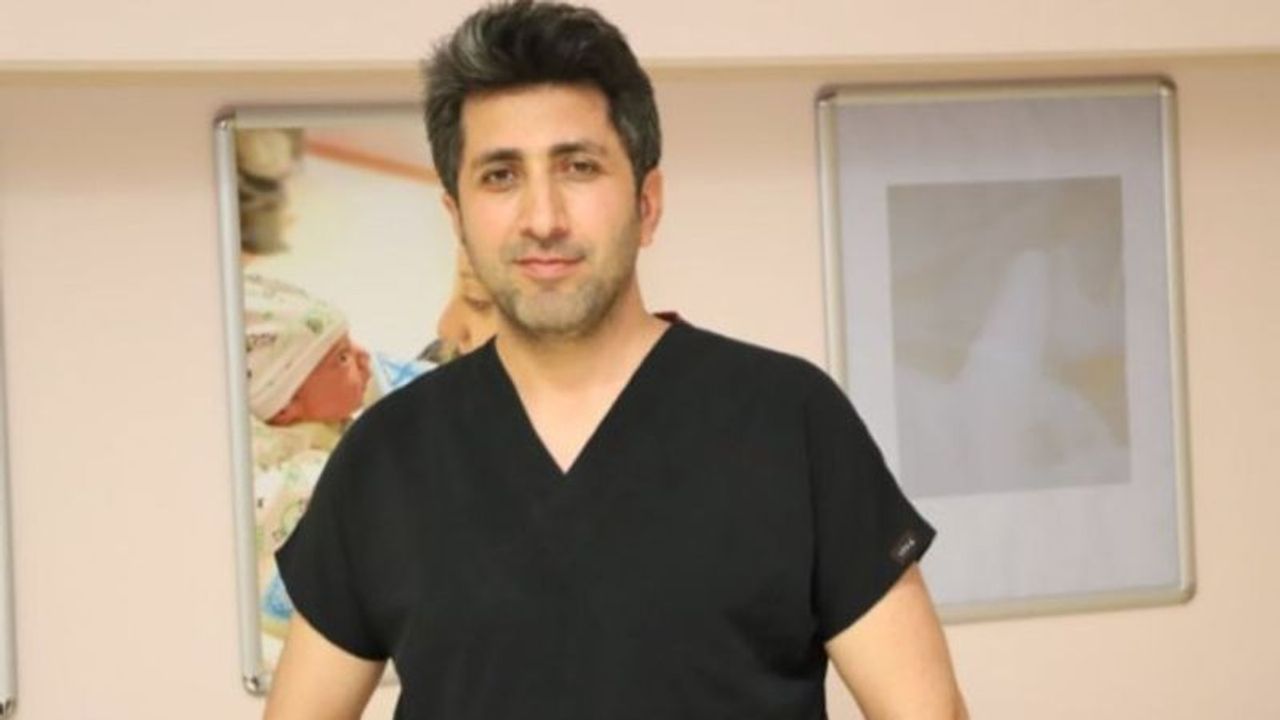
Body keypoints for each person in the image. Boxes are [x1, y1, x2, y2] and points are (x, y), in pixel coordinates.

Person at [265, 2, 967, 718]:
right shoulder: (387, 455)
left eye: (578, 167)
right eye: (501, 175)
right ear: (458, 219)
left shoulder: (789, 420)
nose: (543, 218)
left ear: (648, 202)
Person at [243, 273, 372, 645]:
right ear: (284, 405)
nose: (364, 356)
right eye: (342, 359)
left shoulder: (332, 422)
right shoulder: (279, 469)